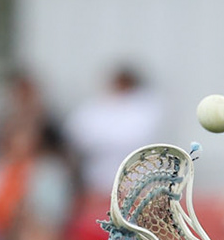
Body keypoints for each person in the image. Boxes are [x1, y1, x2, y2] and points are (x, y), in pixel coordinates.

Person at [66, 63, 164, 196]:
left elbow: (133, 138)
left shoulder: (146, 107)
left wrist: (99, 140)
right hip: (97, 181)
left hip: (137, 184)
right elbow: (76, 134)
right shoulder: (96, 105)